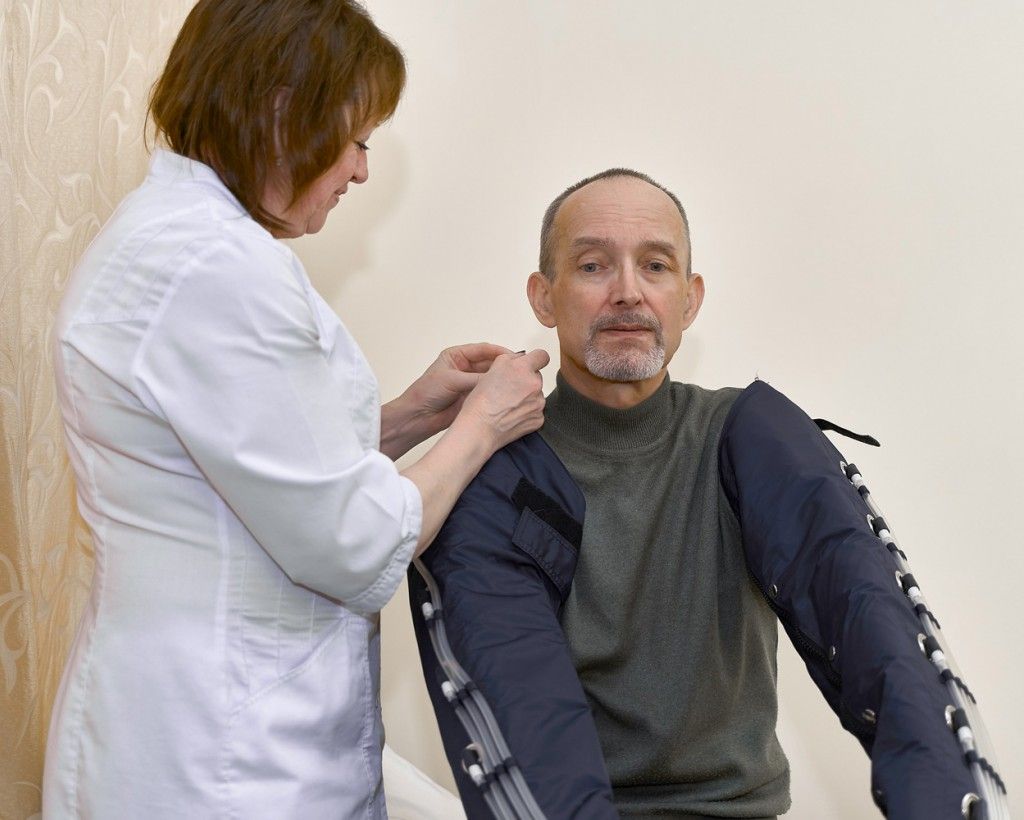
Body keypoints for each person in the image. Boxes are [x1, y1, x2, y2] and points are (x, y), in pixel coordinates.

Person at [42, 1, 547, 817]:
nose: (361, 171)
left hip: (204, 725)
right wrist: (482, 428)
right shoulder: (216, 267)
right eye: (357, 140)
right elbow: (352, 541)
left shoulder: (181, 242)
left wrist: (414, 415)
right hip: (221, 759)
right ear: (282, 112)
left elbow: (256, 474)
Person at [410, 169, 987, 819]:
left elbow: (876, 633)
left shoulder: (749, 441)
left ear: (690, 299)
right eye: (594, 266)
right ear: (544, 298)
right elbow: (524, 709)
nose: (628, 292)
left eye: (655, 266)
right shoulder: (497, 474)